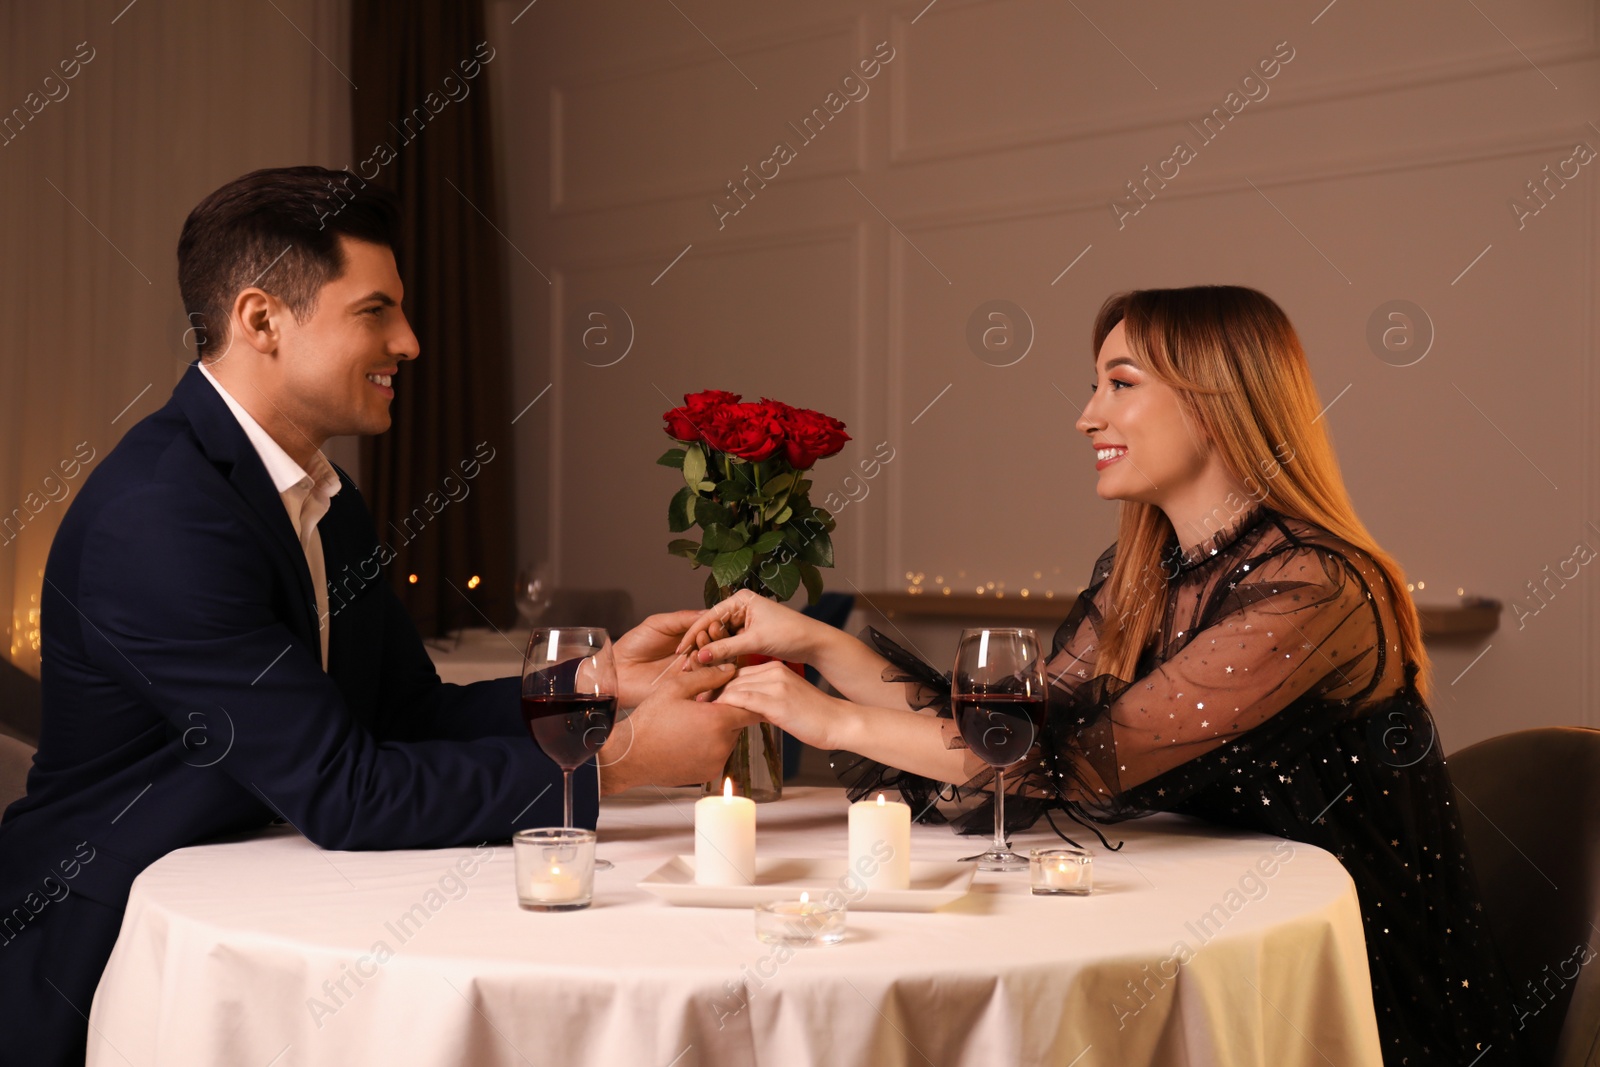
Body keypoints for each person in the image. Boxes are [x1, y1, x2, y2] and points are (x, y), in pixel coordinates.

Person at [0, 166, 752, 1066]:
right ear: (261, 320)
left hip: (273, 896)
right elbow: (347, 790)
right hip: (106, 955)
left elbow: (405, 713)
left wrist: (597, 685)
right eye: (375, 311)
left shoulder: (325, 494)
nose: (411, 341)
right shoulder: (161, 514)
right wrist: (619, 758)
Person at [680, 286, 1529, 1064]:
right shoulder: (1143, 573)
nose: (1088, 417)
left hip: (1348, 992)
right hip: (1217, 949)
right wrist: (820, 647)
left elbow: (1067, 764)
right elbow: (1006, 735)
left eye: (1120, 384)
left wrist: (826, 721)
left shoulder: (1315, 588)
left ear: (1216, 401)